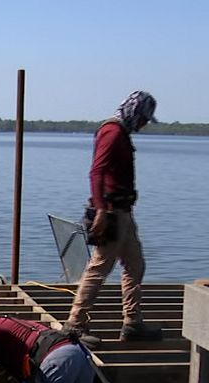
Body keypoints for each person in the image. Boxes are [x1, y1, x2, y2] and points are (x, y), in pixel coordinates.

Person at [66, 90, 163, 343]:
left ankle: (133, 323)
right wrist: (100, 209)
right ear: (134, 112)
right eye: (143, 119)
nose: (143, 125)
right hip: (110, 213)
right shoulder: (112, 132)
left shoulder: (121, 133)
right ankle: (75, 325)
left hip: (123, 213)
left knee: (135, 265)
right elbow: (96, 171)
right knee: (99, 268)